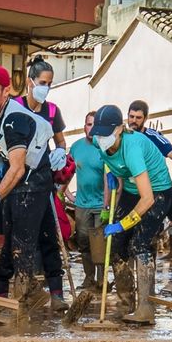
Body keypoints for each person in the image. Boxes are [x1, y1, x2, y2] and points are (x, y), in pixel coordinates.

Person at [0, 65, 64, 307]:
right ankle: (44, 294)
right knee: (33, 237)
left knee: (22, 244)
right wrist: (0, 161)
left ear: (6, 91)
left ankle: (23, 300)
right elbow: (9, 156)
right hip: (30, 178)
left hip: (32, 182)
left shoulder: (14, 119)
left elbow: (18, 168)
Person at [89, 104, 172, 324]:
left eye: (104, 133)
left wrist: (123, 224)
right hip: (130, 188)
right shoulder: (101, 144)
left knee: (139, 244)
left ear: (119, 129)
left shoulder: (133, 147)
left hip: (156, 191)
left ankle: (146, 307)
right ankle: (126, 303)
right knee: (115, 243)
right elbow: (113, 166)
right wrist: (112, 177)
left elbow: (147, 199)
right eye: (97, 133)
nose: (100, 138)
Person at [127, 100, 172, 232]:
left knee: (148, 231)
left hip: (154, 190)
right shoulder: (123, 137)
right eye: (131, 116)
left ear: (145, 118)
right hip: (131, 190)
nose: (134, 120)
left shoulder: (153, 136)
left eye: (138, 118)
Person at [68, 111, 107, 290]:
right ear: (84, 127)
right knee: (83, 241)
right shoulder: (76, 148)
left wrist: (107, 204)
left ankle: (101, 280)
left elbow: (109, 178)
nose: (91, 128)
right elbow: (66, 172)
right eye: (88, 124)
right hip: (81, 204)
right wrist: (66, 194)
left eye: (94, 124)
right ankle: (88, 277)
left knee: (99, 243)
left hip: (100, 204)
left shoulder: (104, 147)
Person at [17, 58, 70, 173]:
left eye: (49, 84)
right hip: (16, 173)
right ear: (29, 82)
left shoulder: (52, 111)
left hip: (42, 175)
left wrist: (60, 151)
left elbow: (60, 141)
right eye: (42, 83)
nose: (46, 87)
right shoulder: (15, 107)